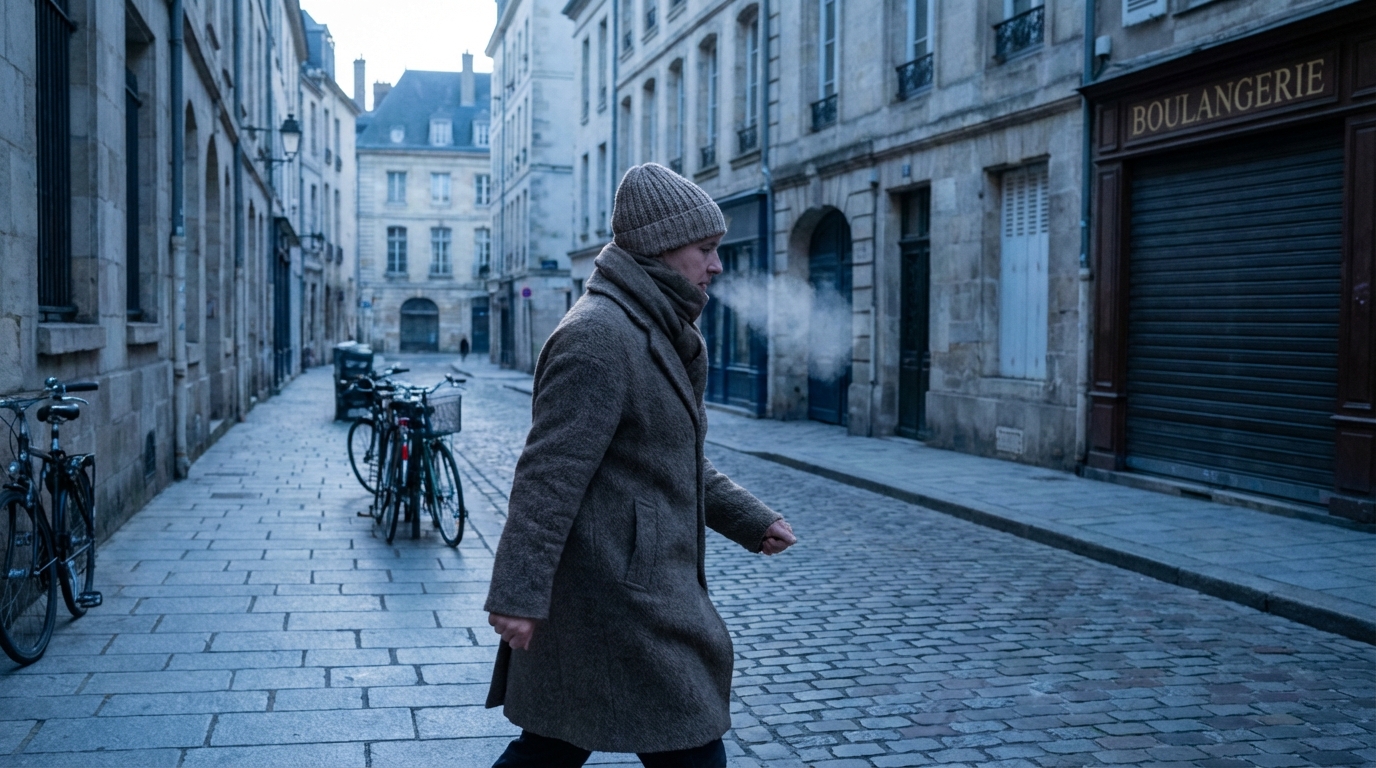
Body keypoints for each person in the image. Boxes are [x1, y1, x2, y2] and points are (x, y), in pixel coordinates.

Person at [484, 163, 797, 767]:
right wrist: (518, 595)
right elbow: (547, 476)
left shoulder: (653, 325)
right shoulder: (599, 335)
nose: (717, 265)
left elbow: (673, 454)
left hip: (630, 589)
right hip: (618, 594)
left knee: (555, 746)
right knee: (688, 744)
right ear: (659, 247)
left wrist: (749, 519)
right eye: (705, 249)